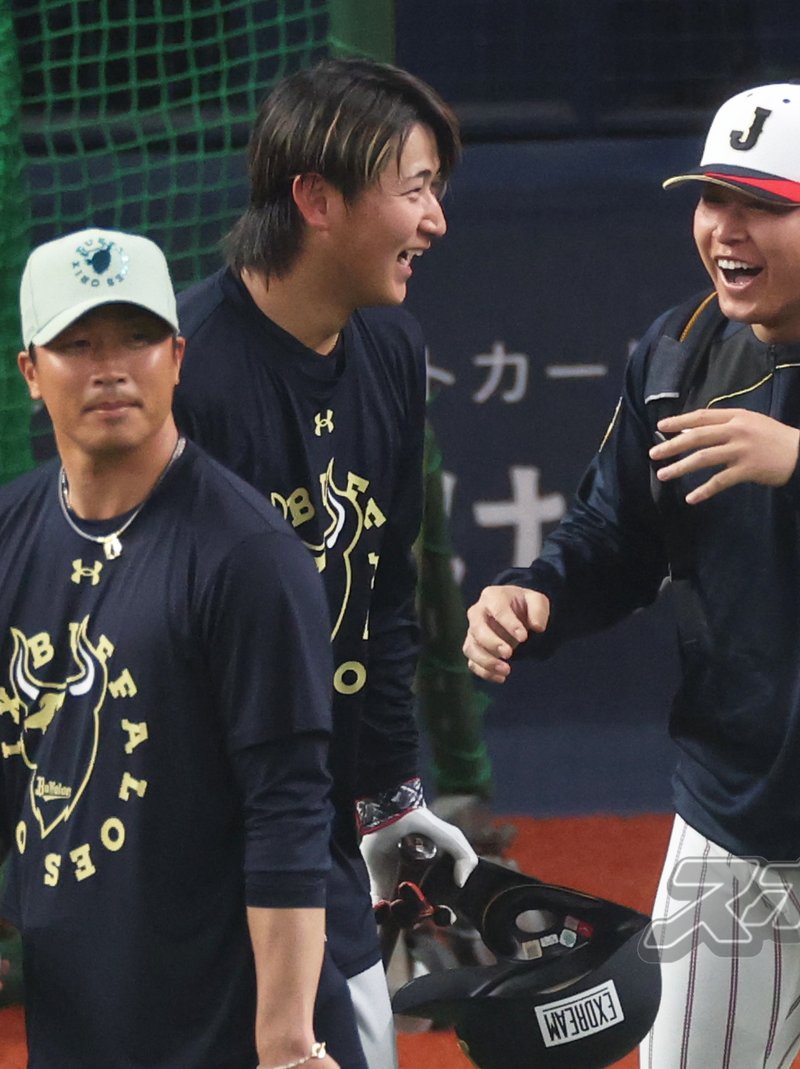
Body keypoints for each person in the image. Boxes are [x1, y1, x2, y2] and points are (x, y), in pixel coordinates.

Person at [463, 82, 800, 1068]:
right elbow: (615, 536)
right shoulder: (680, 352)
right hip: (729, 820)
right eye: (712, 197)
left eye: (761, 204)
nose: (726, 228)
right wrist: (539, 593)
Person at [173, 57, 478, 1069]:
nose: (435, 222)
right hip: (187, 839)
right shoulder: (187, 373)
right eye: (417, 188)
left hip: (314, 830)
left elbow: (386, 598)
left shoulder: (391, 347)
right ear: (315, 198)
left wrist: (392, 801)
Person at [0, 226, 362, 1068]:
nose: (111, 366)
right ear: (30, 372)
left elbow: (289, 807)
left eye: (137, 337)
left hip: (226, 1024)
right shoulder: (12, 534)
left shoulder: (248, 555)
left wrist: (284, 1038)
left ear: (177, 355)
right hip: (79, 1013)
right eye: (77, 343)